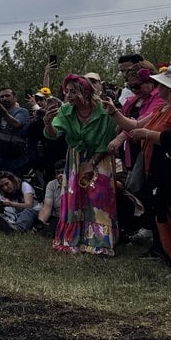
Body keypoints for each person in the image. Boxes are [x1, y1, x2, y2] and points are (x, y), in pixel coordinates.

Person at [103, 63, 171, 278]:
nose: (159, 87)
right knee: (163, 215)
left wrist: (148, 135)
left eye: (162, 84)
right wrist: (114, 112)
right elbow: (134, 124)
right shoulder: (163, 108)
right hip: (158, 170)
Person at [43, 74, 118, 255]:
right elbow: (54, 134)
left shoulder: (103, 109)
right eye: (66, 91)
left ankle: (99, 243)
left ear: (85, 92)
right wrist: (47, 123)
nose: (68, 95)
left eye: (73, 91)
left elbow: (108, 139)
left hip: (101, 156)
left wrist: (92, 163)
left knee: (99, 196)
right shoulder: (66, 111)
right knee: (75, 196)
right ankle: (72, 240)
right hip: (76, 157)